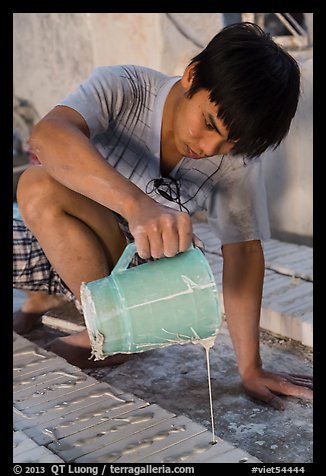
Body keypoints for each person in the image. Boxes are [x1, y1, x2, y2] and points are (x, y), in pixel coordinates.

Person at [13, 22, 313, 410]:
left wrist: (251, 368)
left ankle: (115, 332)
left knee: (39, 188)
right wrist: (137, 204)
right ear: (191, 76)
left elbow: (243, 255)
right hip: (64, 248)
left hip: (141, 280)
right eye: (209, 123)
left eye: (229, 143)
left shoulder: (235, 166)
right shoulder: (126, 89)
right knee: (37, 187)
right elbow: (48, 135)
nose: (209, 148)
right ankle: (46, 297)